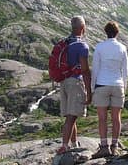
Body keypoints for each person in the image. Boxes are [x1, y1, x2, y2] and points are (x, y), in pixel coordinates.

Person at [91, 21, 128, 158]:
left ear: (105, 32)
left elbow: (95, 68)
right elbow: (125, 70)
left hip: (102, 83)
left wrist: (92, 87)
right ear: (117, 33)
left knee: (102, 118)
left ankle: (104, 146)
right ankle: (115, 146)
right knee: (116, 117)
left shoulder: (100, 47)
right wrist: (124, 86)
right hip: (118, 84)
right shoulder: (122, 48)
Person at [57, 15, 92, 154]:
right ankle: (65, 146)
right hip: (75, 82)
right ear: (83, 28)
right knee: (72, 116)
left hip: (63, 81)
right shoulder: (81, 45)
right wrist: (89, 91)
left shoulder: (64, 43)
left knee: (70, 116)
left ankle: (73, 143)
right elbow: (84, 69)